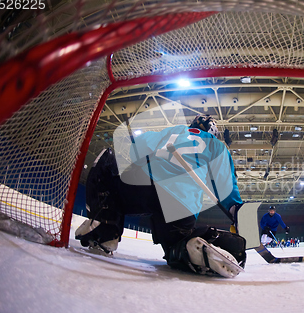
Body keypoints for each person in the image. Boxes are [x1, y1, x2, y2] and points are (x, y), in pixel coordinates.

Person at [75, 114, 247, 278]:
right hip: (182, 202)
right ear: (214, 132)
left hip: (146, 185)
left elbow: (139, 147)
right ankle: (188, 247)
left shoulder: (176, 131)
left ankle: (105, 231)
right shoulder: (217, 146)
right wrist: (235, 209)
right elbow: (226, 185)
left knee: (107, 164)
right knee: (175, 246)